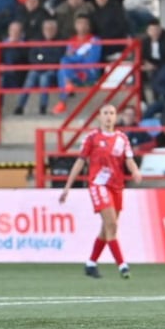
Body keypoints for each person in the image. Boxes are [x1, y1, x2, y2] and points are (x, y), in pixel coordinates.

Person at [56, 105, 143, 279]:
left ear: (115, 116)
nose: (109, 117)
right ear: (99, 117)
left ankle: (91, 263)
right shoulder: (92, 138)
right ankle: (122, 265)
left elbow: (129, 159)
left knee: (107, 227)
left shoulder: (122, 138)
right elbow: (80, 162)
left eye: (112, 113)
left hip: (116, 186)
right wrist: (68, 187)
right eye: (105, 113)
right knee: (112, 224)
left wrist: (135, 171)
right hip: (98, 185)